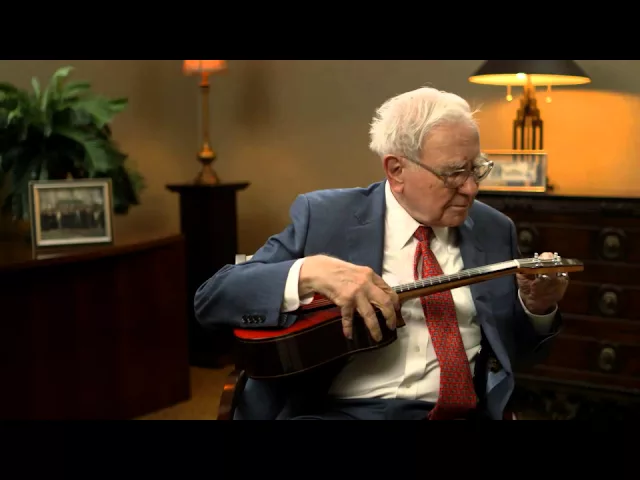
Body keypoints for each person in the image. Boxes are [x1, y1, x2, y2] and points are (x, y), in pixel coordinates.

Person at [194, 86, 569, 420]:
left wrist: (537, 309)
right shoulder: (324, 216)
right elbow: (212, 299)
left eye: (477, 169)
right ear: (396, 170)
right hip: (340, 411)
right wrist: (310, 272)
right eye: (454, 173)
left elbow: (518, 355)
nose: (471, 188)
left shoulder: (494, 228)